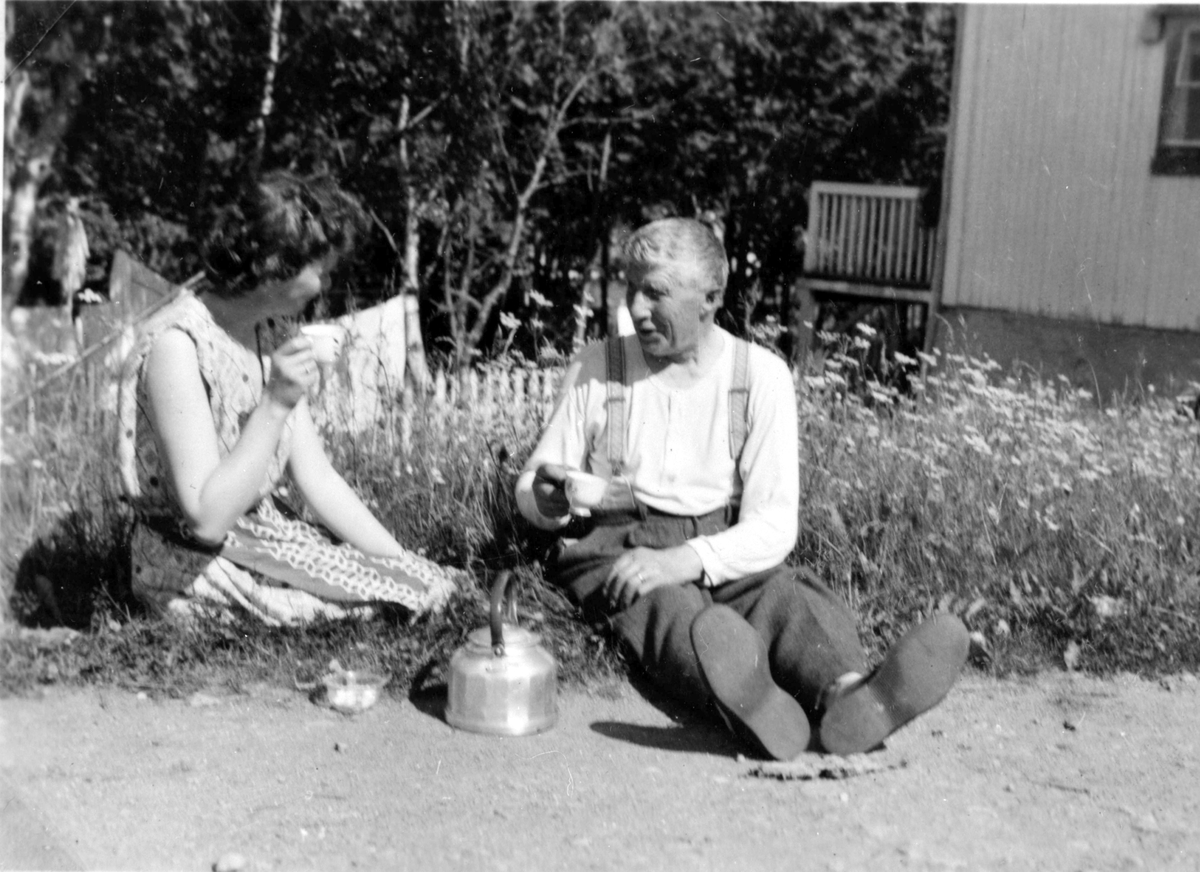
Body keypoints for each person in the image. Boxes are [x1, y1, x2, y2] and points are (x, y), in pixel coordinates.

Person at [516, 217, 969, 758]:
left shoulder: (760, 375)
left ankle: (849, 695)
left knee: (788, 598)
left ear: (710, 299)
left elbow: (774, 524)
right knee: (668, 610)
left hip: (720, 546)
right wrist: (545, 499)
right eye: (631, 287)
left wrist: (691, 556)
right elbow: (537, 480)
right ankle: (757, 706)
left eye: (655, 293)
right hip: (621, 546)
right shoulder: (599, 366)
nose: (635, 308)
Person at [116, 170, 462, 625]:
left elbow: (317, 478)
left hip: (260, 541)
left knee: (415, 583)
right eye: (321, 270)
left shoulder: (272, 333)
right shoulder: (178, 346)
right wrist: (274, 404)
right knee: (377, 605)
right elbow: (205, 518)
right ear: (276, 265)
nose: (325, 284)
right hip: (187, 560)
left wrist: (400, 561)